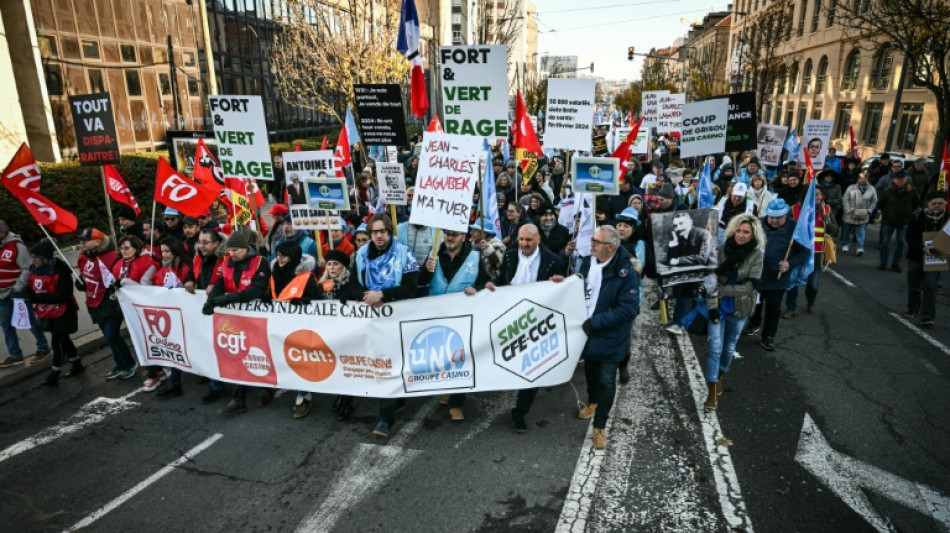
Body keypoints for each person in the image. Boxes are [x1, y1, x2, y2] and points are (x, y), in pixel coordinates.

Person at [485, 224, 566, 433]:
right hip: (511, 320)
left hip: (537, 323)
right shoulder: (510, 257)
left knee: (534, 369)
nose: (524, 244)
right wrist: (492, 286)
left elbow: (562, 293)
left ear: (538, 239)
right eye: (521, 239)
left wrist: (559, 282)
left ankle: (520, 412)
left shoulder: (554, 261)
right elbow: (502, 281)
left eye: (529, 240)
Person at [354, 214, 420, 438]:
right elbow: (354, 283)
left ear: (390, 232)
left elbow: (412, 287)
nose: (379, 236)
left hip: (397, 316)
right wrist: (368, 297)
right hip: (371, 316)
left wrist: (383, 294)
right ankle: (397, 400)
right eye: (374, 232)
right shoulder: (361, 254)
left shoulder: (405, 253)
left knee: (389, 364)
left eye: (382, 231)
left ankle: (385, 417)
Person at [576, 225, 639, 450]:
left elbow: (629, 310)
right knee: (591, 375)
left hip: (610, 338)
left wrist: (595, 323)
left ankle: (600, 425)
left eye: (597, 242)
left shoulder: (626, 274)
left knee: (606, 380)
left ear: (611, 247)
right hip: (588, 336)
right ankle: (592, 402)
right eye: (592, 240)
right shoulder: (587, 262)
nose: (591, 244)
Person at [422, 228, 490, 421]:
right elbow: (421, 282)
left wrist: (474, 288)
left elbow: (485, 283)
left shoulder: (475, 257)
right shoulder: (433, 255)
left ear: (463, 237)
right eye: (447, 234)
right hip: (436, 315)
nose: (449, 238)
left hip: (463, 317)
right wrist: (426, 269)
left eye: (454, 234)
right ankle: (447, 388)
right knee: (440, 355)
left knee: (460, 356)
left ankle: (456, 402)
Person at [204, 231, 273, 415]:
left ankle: (267, 389)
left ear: (244, 248)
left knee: (260, 354)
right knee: (236, 355)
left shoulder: (260, 262)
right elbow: (220, 282)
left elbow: (257, 290)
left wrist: (229, 299)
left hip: (258, 317)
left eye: (235, 250)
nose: (231, 254)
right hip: (236, 318)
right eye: (229, 250)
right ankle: (238, 399)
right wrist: (211, 301)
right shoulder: (227, 261)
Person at [704, 214, 764, 411]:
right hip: (717, 307)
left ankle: (721, 374)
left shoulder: (756, 255)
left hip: (739, 308)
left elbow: (749, 287)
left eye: (746, 232)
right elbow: (710, 277)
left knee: (728, 348)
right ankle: (712, 390)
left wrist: (723, 290)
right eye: (738, 231)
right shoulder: (721, 250)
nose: (741, 235)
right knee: (714, 347)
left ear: (753, 234)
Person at [75, 228, 137, 380]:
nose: (82, 244)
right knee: (108, 337)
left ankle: (129, 363)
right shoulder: (84, 256)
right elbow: (85, 275)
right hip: (93, 303)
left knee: (112, 335)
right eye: (81, 240)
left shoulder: (112, 257)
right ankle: (120, 363)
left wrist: (114, 285)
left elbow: (120, 277)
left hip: (110, 303)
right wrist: (80, 282)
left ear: (97, 241)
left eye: (85, 241)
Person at [270, 241, 321, 418]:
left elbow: (318, 301)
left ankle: (304, 396)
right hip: (277, 326)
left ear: (294, 256)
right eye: (278, 254)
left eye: (284, 255)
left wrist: (304, 301)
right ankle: (269, 388)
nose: (280, 258)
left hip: (300, 327)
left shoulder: (306, 277)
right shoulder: (273, 274)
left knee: (300, 362)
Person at [754, 199, 811, 351]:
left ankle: (768, 337)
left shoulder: (795, 228)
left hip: (778, 279)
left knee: (773, 308)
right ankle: (753, 324)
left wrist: (790, 263)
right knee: (755, 305)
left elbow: (805, 251)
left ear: (786, 215)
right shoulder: (757, 224)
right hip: (756, 275)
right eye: (771, 217)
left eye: (778, 218)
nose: (774, 220)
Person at [185, 228, 229, 404]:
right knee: (206, 344)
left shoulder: (225, 258)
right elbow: (191, 272)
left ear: (216, 244)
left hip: (222, 310)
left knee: (218, 347)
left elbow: (227, 278)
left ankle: (217, 385)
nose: (201, 246)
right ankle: (213, 378)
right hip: (203, 307)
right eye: (200, 242)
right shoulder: (198, 257)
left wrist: (215, 286)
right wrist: (188, 280)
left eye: (205, 243)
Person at [27, 240, 80, 386]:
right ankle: (77, 364)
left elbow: (63, 295)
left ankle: (55, 372)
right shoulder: (34, 270)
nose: (33, 260)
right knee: (64, 340)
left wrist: (36, 297)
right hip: (49, 311)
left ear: (44, 258)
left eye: (36, 257)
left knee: (57, 343)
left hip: (64, 311)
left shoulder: (61, 271)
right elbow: (32, 288)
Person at [0, 220, 51, 368]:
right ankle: (15, 355)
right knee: (6, 325)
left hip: (16, 292)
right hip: (2, 294)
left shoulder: (17, 246)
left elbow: (27, 267)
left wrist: (18, 287)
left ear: (2, 233)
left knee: (29, 321)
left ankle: (43, 348)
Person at [784, 186, 836, 317]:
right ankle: (791, 308)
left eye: (818, 194)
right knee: (792, 280)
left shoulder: (827, 210)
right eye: (813, 195)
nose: (816, 197)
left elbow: (833, 229)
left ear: (822, 196)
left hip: (815, 253)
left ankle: (811, 302)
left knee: (813, 283)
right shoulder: (794, 209)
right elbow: (786, 228)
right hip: (796, 251)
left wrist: (827, 220)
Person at [151, 237, 193, 398]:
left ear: (176, 251)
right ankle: (174, 383)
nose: (164, 255)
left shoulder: (185, 267)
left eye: (167, 251)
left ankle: (214, 384)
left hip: (187, 316)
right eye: (162, 251)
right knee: (176, 348)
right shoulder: (162, 268)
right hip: (171, 317)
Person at [904, 192, 950, 326]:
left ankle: (927, 316)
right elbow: (910, 237)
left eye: (940, 203)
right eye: (934, 203)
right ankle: (913, 308)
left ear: (946, 203)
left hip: (937, 258)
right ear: (928, 203)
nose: (937, 206)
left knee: (931, 285)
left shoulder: (948, 219)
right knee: (914, 283)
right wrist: (922, 248)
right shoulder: (918, 216)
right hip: (917, 255)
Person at [877, 171, 920, 272]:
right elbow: (881, 204)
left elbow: (916, 204)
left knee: (901, 242)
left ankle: (896, 263)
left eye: (903, 178)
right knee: (885, 243)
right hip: (888, 220)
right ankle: (884, 262)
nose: (900, 181)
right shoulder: (888, 191)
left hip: (904, 221)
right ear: (894, 179)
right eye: (898, 179)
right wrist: (885, 213)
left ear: (906, 179)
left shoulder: (912, 191)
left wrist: (908, 214)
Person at [841, 171, 877, 256]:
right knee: (847, 231)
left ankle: (860, 248)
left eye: (865, 178)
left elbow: (874, 201)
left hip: (863, 213)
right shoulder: (851, 187)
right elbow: (845, 199)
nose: (862, 180)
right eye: (861, 178)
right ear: (858, 178)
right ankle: (845, 244)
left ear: (867, 179)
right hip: (850, 214)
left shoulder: (871, 189)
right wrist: (848, 209)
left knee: (861, 233)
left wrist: (869, 210)